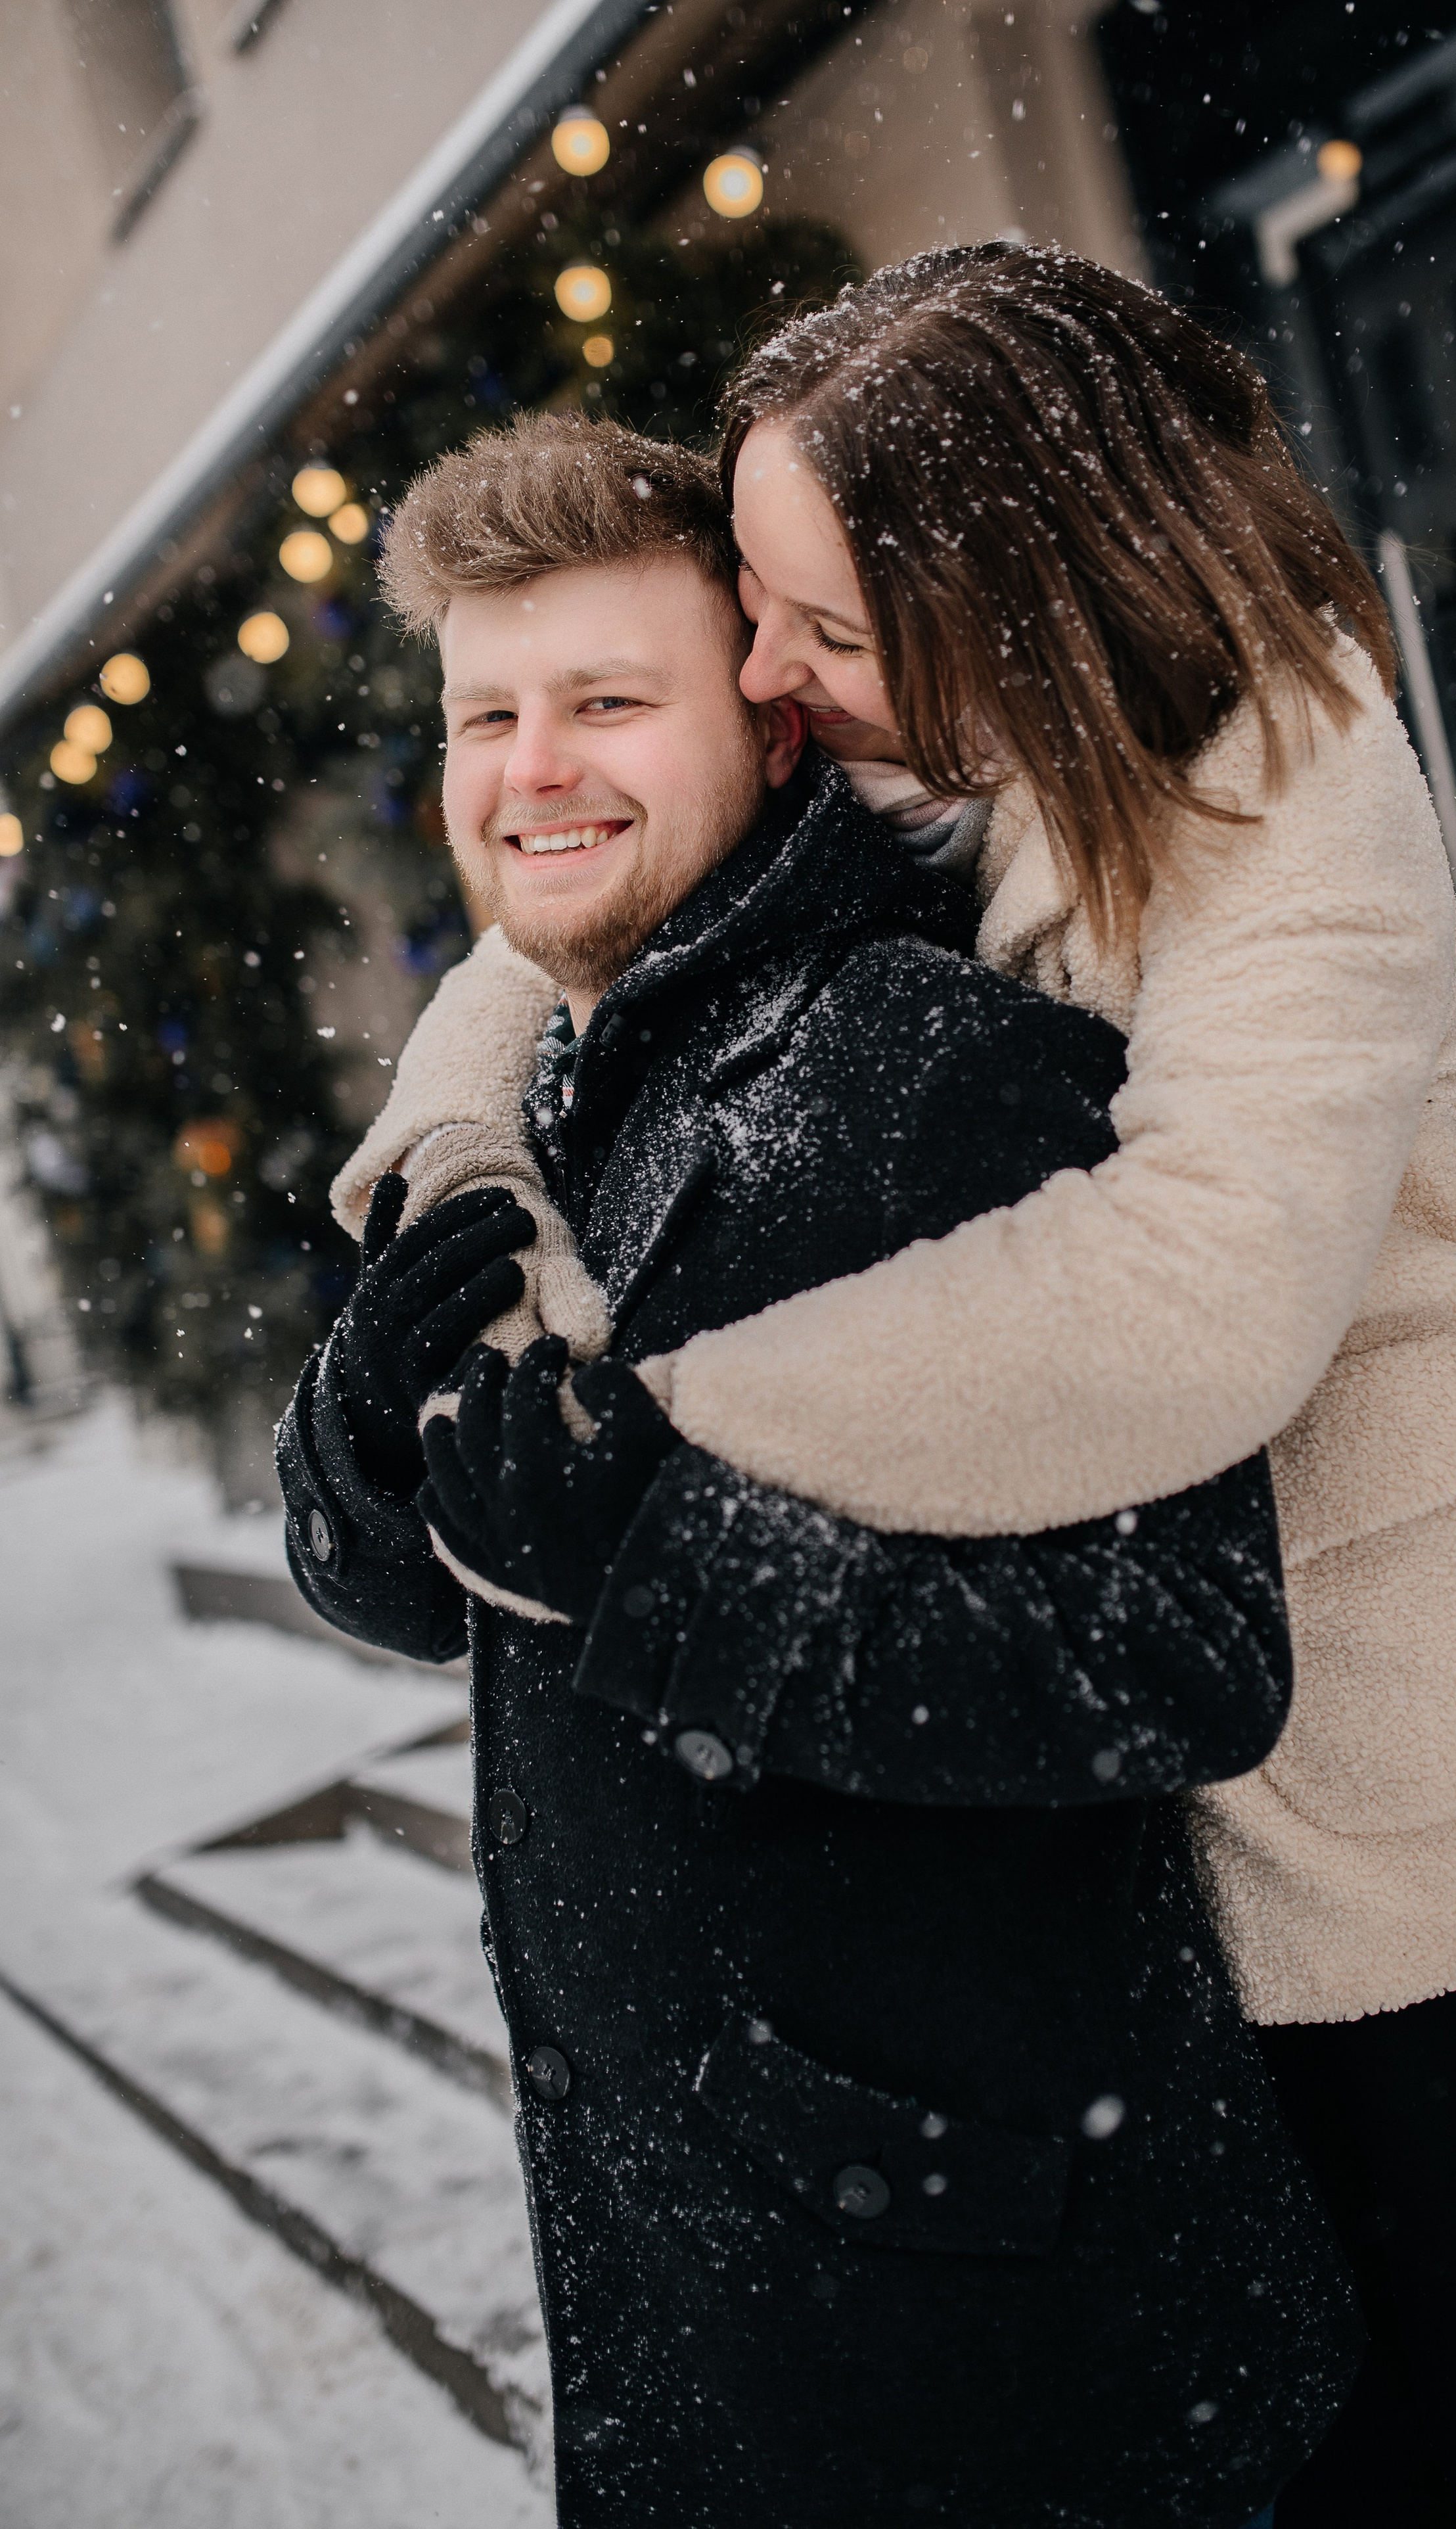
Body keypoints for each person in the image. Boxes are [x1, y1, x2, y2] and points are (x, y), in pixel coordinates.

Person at [353, 252, 1456, 2524]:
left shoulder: (1289, 779)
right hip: (1162, 1847)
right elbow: (539, 886)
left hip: (1427, 1801)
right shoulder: (925, 741)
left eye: (820, 630)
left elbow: (1190, 1296)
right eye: (756, 614)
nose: (769, 677)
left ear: (1025, 604)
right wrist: (465, 1145)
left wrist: (654, 1421)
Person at [279, 411, 1354, 2528]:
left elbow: (1186, 1658)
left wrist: (658, 1565)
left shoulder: (935, 1073)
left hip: (997, 2349)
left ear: (770, 732)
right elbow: (424, 1580)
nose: (532, 767)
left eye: (607, 700)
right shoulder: (554, 1090)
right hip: (703, 2293)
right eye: (487, 714)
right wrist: (354, 1454)